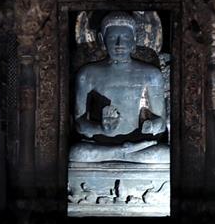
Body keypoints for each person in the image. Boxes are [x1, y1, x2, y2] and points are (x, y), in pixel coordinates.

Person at [70, 12, 169, 164]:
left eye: (126, 38)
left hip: (137, 145)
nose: (119, 44)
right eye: (112, 38)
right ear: (102, 40)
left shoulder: (151, 75)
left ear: (134, 40)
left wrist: (150, 126)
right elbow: (79, 124)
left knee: (164, 154)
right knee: (77, 153)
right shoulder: (87, 74)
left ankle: (121, 153)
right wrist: (102, 128)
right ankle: (121, 153)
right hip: (101, 144)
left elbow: (161, 123)